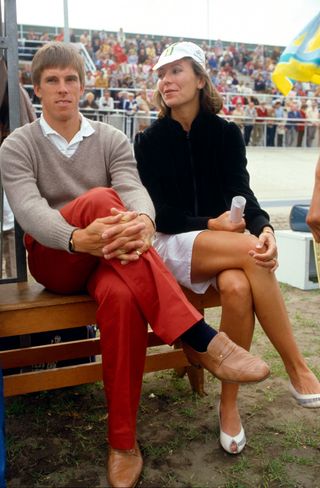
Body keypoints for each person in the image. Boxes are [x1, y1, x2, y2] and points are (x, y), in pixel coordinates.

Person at [0, 42, 269, 488]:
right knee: (103, 199)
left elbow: (135, 190)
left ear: (83, 86)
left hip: (113, 259)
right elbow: (29, 211)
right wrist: (74, 236)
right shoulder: (17, 144)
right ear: (38, 89)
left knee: (124, 294)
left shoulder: (111, 138)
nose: (63, 89)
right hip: (56, 260)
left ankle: (122, 441)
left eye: (71, 80)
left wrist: (143, 221)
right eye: (52, 81)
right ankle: (202, 339)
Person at [134, 41, 320, 456]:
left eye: (177, 71)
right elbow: (158, 213)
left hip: (222, 249)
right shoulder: (149, 140)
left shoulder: (226, 133)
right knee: (249, 253)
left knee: (238, 285)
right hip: (171, 243)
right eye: (161, 74)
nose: (166, 80)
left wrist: (265, 226)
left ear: (201, 79)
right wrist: (211, 224)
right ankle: (297, 366)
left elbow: (242, 193)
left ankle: (228, 405)